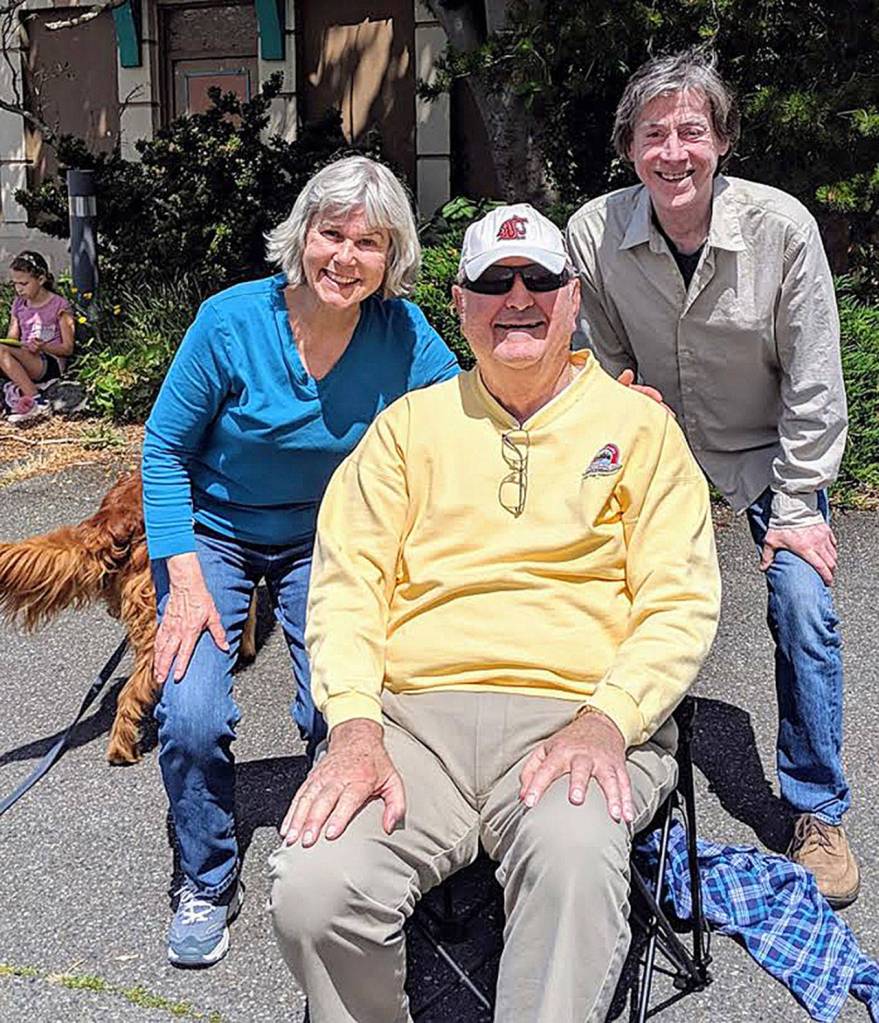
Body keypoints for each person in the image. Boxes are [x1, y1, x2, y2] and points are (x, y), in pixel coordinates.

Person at [269, 204, 721, 1022]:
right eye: (493, 281)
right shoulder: (406, 429)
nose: (518, 297)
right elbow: (345, 585)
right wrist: (354, 727)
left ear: (572, 297)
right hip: (410, 727)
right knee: (312, 885)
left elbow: (679, 598)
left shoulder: (640, 430)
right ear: (459, 301)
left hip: (576, 717)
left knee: (576, 858)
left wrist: (608, 720)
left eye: (539, 279)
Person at [141, 155, 459, 967]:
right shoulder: (229, 321)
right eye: (331, 233)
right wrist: (180, 581)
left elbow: (468, 414)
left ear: (392, 258)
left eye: (369, 242)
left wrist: (585, 388)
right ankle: (207, 878)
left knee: (342, 698)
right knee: (191, 711)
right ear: (301, 234)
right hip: (214, 530)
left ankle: (333, 859)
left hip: (332, 533)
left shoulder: (402, 332)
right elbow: (165, 449)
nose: (344, 257)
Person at [565, 50, 857, 907]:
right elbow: (602, 367)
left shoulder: (781, 229)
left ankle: (816, 811)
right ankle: (603, 768)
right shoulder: (593, 233)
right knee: (594, 586)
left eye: (691, 131)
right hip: (659, 450)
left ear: (721, 140)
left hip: (770, 451)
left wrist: (799, 507)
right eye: (653, 135)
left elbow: (814, 381)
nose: (673, 152)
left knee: (803, 603)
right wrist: (625, 419)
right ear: (629, 150)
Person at [3, 251, 75, 423]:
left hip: (49, 361)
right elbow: (11, 339)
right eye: (15, 284)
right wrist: (16, 345)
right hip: (26, 357)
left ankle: (36, 400)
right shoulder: (19, 304)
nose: (18, 289)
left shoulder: (59, 305)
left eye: (24, 283)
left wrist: (43, 347)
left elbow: (68, 348)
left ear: (41, 280)